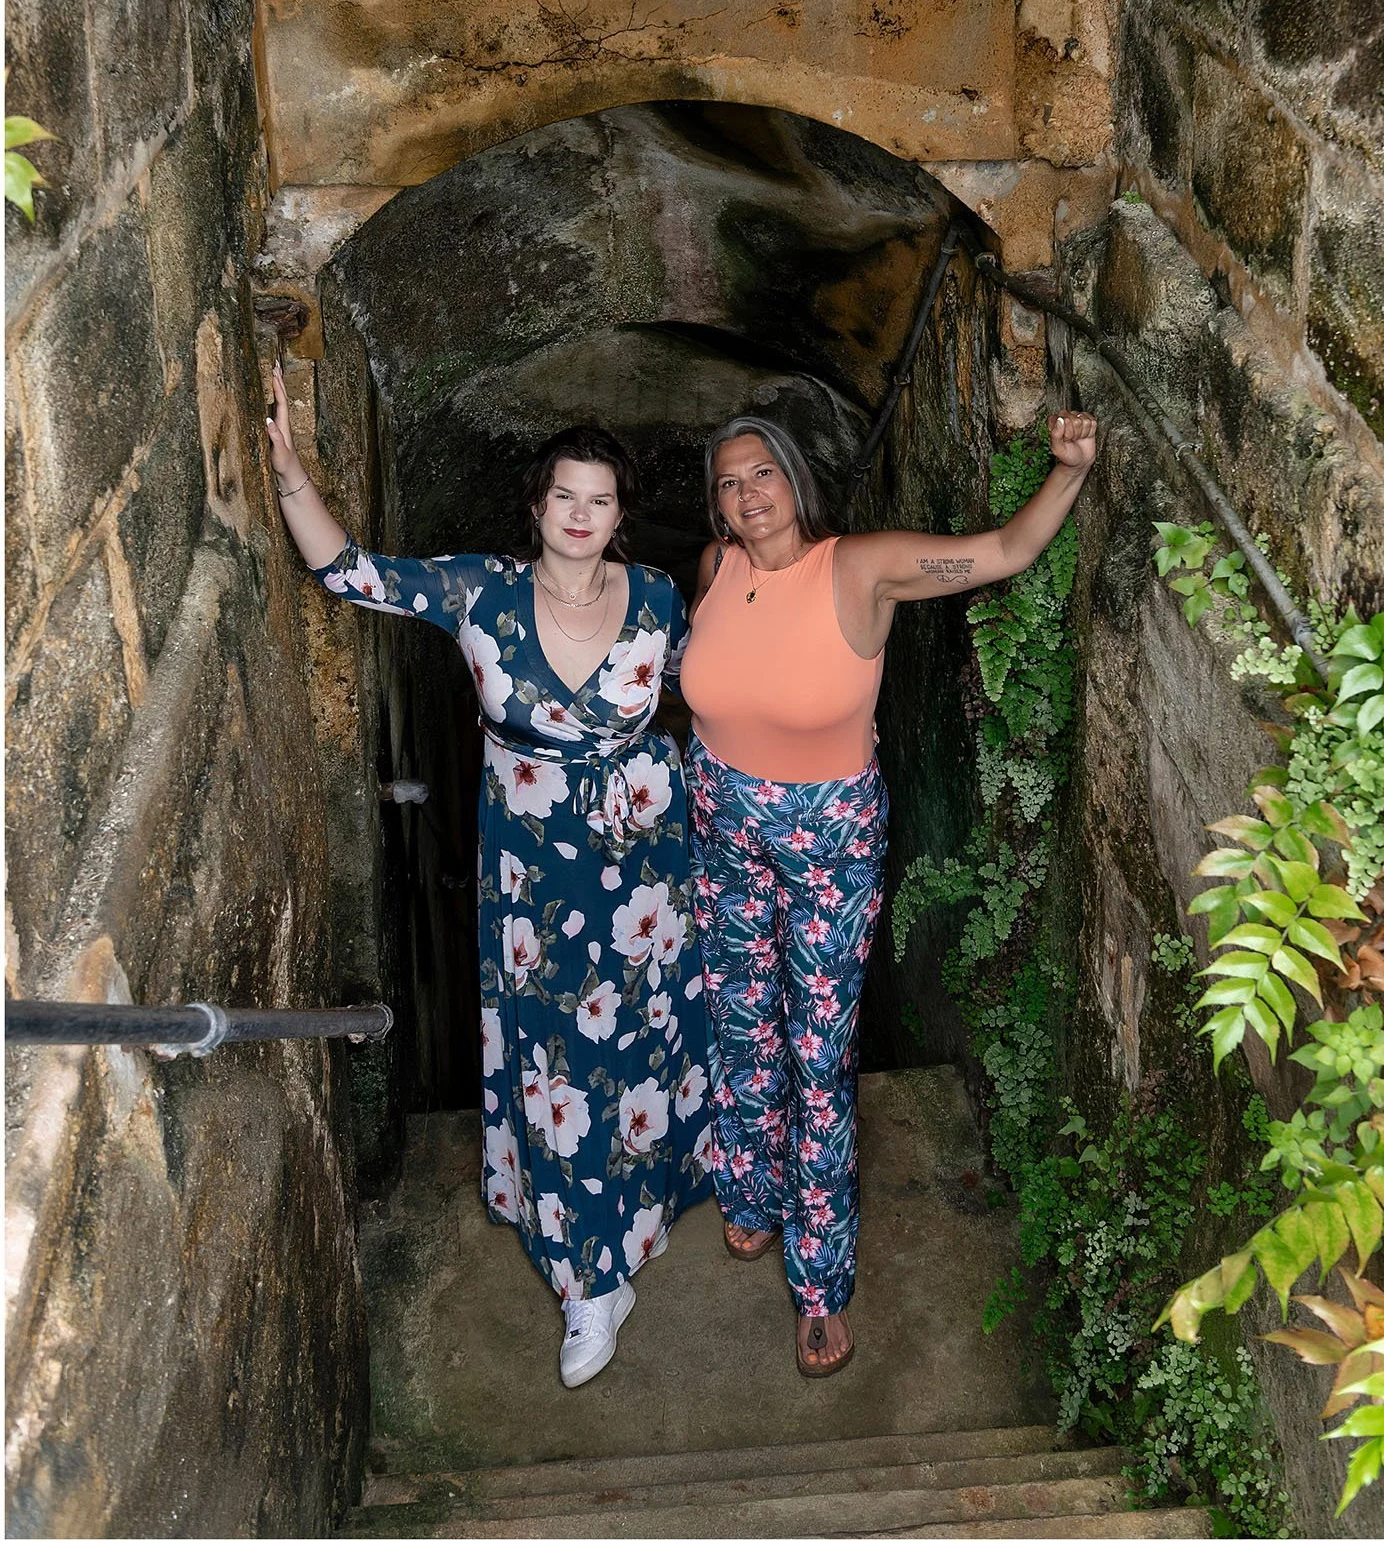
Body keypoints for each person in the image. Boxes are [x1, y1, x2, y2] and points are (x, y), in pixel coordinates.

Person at [265, 368, 713, 1388]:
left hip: (649, 868)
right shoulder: (480, 590)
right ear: (537, 502)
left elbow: (716, 687)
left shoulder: (654, 597)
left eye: (599, 499)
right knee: (558, 1061)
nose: (580, 514)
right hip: (535, 878)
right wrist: (291, 474)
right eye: (565, 494)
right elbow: (350, 574)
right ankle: (584, 1280)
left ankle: (630, 1227)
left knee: (640, 1050)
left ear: (619, 516)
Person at [678, 406, 1097, 1378]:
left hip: (827, 836)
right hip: (721, 822)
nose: (747, 494)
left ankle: (818, 1283)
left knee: (816, 1060)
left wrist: (1066, 471)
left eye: (761, 474)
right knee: (740, 1018)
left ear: (792, 477)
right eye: (729, 482)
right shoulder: (712, 567)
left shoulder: (858, 568)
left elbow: (997, 549)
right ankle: (748, 1191)